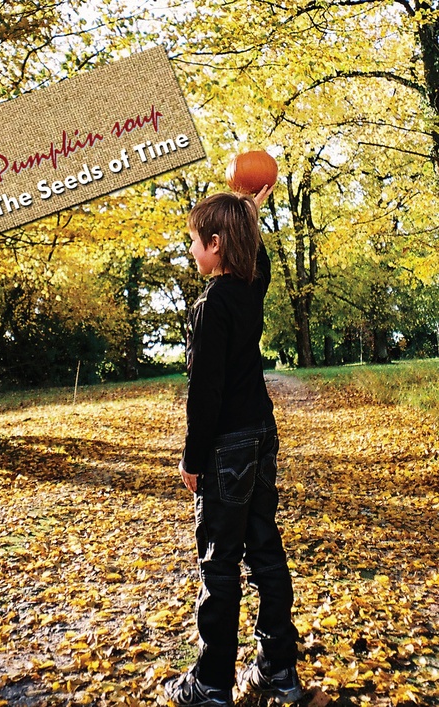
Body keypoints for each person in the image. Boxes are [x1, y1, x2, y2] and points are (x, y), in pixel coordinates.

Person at [164, 186, 303, 707]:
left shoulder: (212, 304)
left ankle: (212, 681)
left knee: (219, 563)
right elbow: (259, 261)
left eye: (196, 242)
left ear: (216, 243)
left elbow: (205, 394)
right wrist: (250, 214)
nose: (192, 251)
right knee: (265, 552)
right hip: (262, 439)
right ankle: (278, 669)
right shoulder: (250, 289)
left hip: (225, 449)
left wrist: (192, 458)